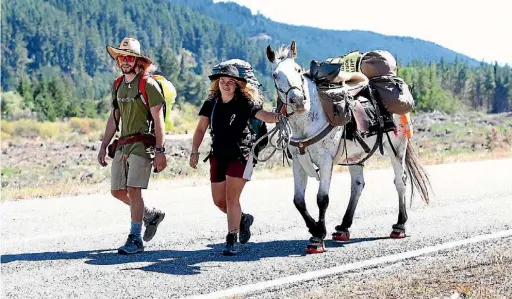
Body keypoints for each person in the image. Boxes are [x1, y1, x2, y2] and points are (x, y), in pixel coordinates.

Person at [189, 64, 283, 256]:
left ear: (238, 85)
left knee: (232, 199)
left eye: (230, 82)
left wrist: (280, 116)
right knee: (218, 201)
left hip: (241, 156)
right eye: (222, 81)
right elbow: (200, 130)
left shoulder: (245, 103)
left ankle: (231, 239)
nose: (226, 85)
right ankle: (243, 220)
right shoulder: (211, 103)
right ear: (218, 83)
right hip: (218, 155)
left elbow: (263, 115)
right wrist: (194, 151)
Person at [97, 37, 167, 255]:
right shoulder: (118, 84)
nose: (124, 61)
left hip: (143, 143)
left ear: (138, 61)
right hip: (123, 143)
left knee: (133, 190)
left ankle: (135, 239)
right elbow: (114, 117)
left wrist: (160, 151)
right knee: (118, 191)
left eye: (129, 57)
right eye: (121, 57)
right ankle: (149, 215)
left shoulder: (148, 84)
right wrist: (103, 146)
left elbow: (159, 120)